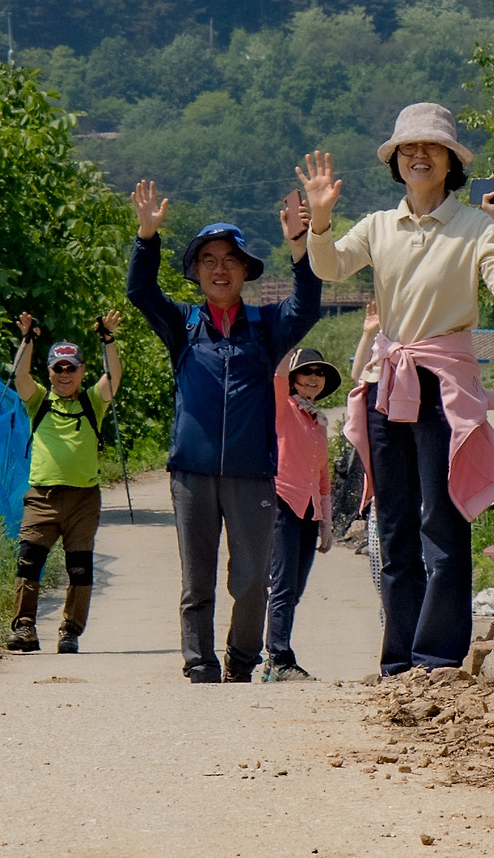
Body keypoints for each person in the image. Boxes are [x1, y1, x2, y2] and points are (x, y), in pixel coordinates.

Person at [300, 102, 494, 676]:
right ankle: (399, 660)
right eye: (408, 148)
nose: (418, 156)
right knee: (395, 523)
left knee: (442, 521)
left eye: (431, 147)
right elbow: (330, 269)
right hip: (386, 381)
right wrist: (320, 222)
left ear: (452, 161)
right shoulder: (378, 225)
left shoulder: (476, 226)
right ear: (396, 163)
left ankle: (438, 657)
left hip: (443, 383)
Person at [127, 184, 322, 683]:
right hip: (191, 472)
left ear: (245, 270)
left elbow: (306, 307)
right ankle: (199, 662)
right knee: (197, 580)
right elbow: (140, 292)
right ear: (194, 271)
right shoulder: (183, 325)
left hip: (252, 473)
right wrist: (147, 238)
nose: (219, 268)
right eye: (208, 259)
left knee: (253, 578)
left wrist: (300, 246)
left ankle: (240, 658)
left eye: (230, 260)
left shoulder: (264, 327)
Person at [7, 310, 123, 655]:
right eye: (58, 368)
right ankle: (24, 628)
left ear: (83, 371)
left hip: (84, 499)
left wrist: (108, 340)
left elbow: (114, 376)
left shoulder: (91, 403)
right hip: (41, 497)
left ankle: (70, 631)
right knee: (28, 561)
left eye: (72, 367)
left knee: (79, 567)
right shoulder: (39, 401)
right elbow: (20, 375)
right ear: (50, 372)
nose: (65, 374)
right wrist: (28, 339)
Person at [263, 343, 341, 682]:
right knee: (282, 585)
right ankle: (278, 657)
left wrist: (326, 522)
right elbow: (277, 377)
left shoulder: (318, 419)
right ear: (295, 377)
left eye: (319, 373)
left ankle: (277, 653)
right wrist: (283, 337)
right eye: (306, 371)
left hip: (309, 509)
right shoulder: (284, 408)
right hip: (283, 502)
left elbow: (323, 475)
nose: (313, 378)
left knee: (295, 587)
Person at [351, 301, 384, 599]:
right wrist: (368, 334)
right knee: (382, 571)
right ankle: (393, 636)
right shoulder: (380, 357)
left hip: (424, 493)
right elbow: (357, 376)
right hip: (382, 491)